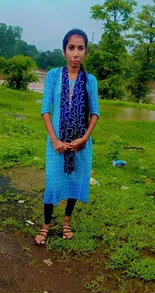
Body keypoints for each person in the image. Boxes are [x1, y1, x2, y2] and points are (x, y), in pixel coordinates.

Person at [35, 28, 100, 245]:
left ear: (85, 53)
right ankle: (45, 225)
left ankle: (66, 221)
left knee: (75, 182)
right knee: (52, 183)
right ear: (64, 51)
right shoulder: (53, 75)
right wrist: (54, 140)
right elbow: (45, 110)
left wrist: (84, 139)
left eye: (80, 48)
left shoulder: (90, 80)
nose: (76, 53)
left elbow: (94, 113)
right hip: (56, 143)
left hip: (80, 145)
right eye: (71, 48)